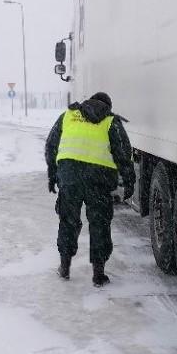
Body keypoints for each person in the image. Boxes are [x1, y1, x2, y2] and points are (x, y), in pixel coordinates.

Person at [44, 92, 136, 286]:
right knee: (99, 224)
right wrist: (129, 181)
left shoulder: (68, 115)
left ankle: (65, 267)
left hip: (69, 178)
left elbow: (51, 145)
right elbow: (123, 153)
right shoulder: (111, 121)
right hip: (99, 181)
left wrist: (52, 174)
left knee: (68, 221)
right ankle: (98, 274)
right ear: (107, 107)